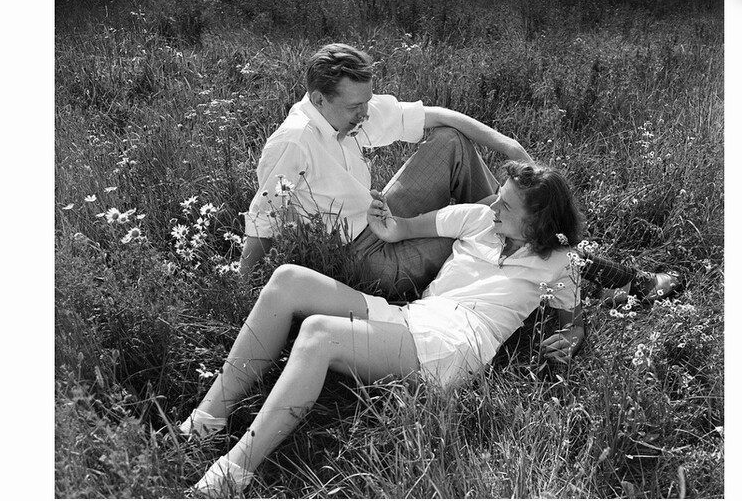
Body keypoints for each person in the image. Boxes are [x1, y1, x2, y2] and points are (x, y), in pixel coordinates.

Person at [236, 43, 681, 354]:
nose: (366, 113)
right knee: (492, 230)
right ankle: (605, 272)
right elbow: (262, 222)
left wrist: (507, 145)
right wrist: (241, 293)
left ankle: (534, 234)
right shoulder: (294, 142)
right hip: (367, 259)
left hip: (380, 218)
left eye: (367, 102)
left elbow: (435, 117)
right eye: (356, 107)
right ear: (318, 99)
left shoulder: (349, 111)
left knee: (450, 141)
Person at [183, 161, 588, 497]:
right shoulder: (479, 218)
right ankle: (207, 420)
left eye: (507, 205)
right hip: (414, 315)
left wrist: (570, 338)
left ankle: (235, 471)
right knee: (288, 279)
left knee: (319, 334)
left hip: (457, 344)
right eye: (498, 194)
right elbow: (402, 229)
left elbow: (572, 323)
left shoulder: (560, 263)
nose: (493, 204)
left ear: (537, 222)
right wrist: (383, 220)